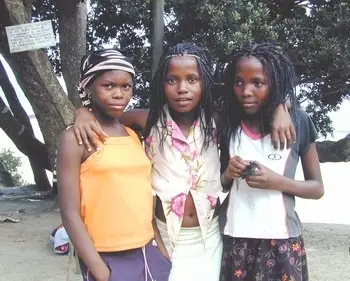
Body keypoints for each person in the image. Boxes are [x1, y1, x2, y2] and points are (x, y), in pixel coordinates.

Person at [71, 43, 295, 281]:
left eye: (192, 80)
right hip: (165, 236)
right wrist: (81, 112)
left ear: (204, 83)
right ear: (161, 84)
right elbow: (105, 116)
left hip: (209, 236)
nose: (182, 89)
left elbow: (258, 100)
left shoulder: (216, 120)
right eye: (172, 80)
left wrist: (282, 106)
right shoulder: (146, 120)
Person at [56, 49, 171, 281]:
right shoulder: (76, 138)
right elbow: (69, 212)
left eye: (126, 86)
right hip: (107, 257)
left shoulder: (132, 135)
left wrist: (160, 250)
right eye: (108, 86)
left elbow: (141, 197)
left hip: (148, 252)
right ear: (88, 87)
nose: (119, 94)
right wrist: (100, 271)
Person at [219, 43, 324, 281]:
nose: (246, 91)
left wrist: (277, 181)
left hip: (282, 240)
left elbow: (317, 188)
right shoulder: (228, 121)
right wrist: (228, 173)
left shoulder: (298, 121)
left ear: (273, 84)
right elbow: (221, 184)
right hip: (236, 238)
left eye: (258, 83)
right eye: (238, 82)